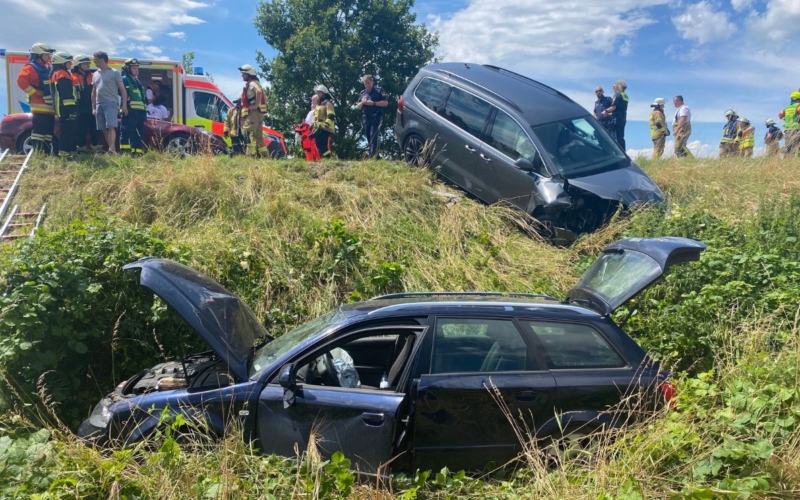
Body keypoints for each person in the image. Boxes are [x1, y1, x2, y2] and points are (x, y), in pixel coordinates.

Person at [17, 42, 56, 154]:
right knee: (39, 134)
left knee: (48, 135)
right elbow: (21, 81)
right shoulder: (31, 67)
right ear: (39, 55)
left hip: (50, 109)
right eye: (46, 55)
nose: (49, 57)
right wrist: (36, 92)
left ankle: (47, 155)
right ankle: (38, 155)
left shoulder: (46, 68)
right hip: (40, 108)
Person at [91, 51, 127, 155]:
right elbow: (93, 92)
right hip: (99, 104)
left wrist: (124, 104)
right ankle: (112, 149)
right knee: (102, 128)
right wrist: (93, 107)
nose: (94, 62)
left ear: (102, 60)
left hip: (111, 103)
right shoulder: (95, 74)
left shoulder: (114, 72)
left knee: (111, 125)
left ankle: (111, 149)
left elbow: (123, 90)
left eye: (96, 59)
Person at [50, 52, 78, 159]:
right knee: (67, 132)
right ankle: (66, 154)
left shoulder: (57, 73)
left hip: (62, 108)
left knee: (69, 131)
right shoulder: (62, 74)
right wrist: (71, 110)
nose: (71, 64)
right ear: (62, 63)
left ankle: (69, 153)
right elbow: (66, 94)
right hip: (65, 108)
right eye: (69, 62)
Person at [71, 54, 100, 152]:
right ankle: (81, 149)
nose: (88, 65)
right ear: (78, 65)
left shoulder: (93, 75)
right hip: (80, 108)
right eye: (85, 63)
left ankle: (96, 150)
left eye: (88, 63)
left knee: (95, 129)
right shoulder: (73, 77)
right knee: (81, 130)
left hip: (92, 108)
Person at [237, 64, 267, 158]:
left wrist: (255, 105)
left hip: (253, 114)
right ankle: (265, 157)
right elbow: (264, 96)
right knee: (258, 137)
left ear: (248, 74)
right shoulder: (257, 83)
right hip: (259, 114)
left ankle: (250, 156)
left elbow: (258, 92)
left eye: (243, 73)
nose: (242, 75)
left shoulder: (251, 83)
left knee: (248, 133)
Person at [356, 74, 388, 158]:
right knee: (368, 136)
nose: (367, 85)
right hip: (366, 118)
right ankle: (374, 155)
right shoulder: (363, 93)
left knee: (373, 135)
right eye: (365, 84)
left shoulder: (379, 90)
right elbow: (358, 107)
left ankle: (372, 156)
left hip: (375, 116)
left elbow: (385, 103)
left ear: (372, 82)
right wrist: (363, 102)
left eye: (368, 83)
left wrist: (373, 103)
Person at [120, 58, 147, 155]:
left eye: (137, 68)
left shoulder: (137, 81)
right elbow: (122, 94)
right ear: (128, 69)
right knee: (127, 132)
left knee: (139, 134)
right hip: (130, 111)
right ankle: (125, 153)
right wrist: (124, 106)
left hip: (140, 112)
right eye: (134, 68)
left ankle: (137, 153)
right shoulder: (124, 79)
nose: (136, 70)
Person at [602, 80, 628, 150]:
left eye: (614, 86)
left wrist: (606, 111)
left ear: (617, 87)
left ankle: (618, 153)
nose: (613, 88)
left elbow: (613, 107)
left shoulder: (617, 95)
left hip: (616, 119)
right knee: (621, 137)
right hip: (623, 118)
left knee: (615, 138)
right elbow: (620, 109)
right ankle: (623, 152)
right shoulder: (625, 95)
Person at [312, 84, 336, 159]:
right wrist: (313, 127)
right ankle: (323, 157)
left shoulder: (328, 103)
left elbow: (331, 115)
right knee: (318, 142)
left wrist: (326, 124)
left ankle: (326, 157)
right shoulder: (319, 105)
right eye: (317, 92)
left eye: (319, 92)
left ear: (324, 93)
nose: (318, 94)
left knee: (322, 143)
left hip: (326, 128)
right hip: (319, 128)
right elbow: (316, 118)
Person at [295, 95, 320, 161]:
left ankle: (310, 163)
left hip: (309, 136)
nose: (311, 104)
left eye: (312, 102)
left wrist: (299, 130)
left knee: (310, 152)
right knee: (317, 152)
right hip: (316, 134)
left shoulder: (312, 112)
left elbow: (306, 124)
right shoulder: (321, 111)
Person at [779, 91, 800, 155]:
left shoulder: (787, 107)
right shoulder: (798, 106)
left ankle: (788, 159)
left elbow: (780, 115)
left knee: (789, 147)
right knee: (797, 146)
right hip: (796, 129)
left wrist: (785, 119)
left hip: (787, 130)